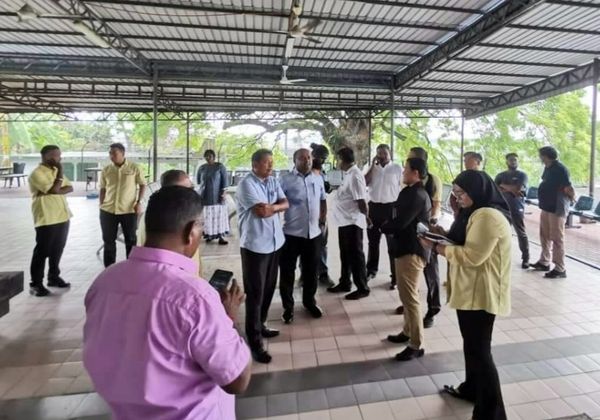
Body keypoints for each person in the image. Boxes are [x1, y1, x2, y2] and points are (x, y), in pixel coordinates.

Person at [84, 186, 251, 419]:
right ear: (191, 231)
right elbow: (237, 380)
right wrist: (229, 318)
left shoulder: (105, 282)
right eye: (202, 225)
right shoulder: (195, 298)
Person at [420, 170, 511, 420]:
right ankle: (472, 389)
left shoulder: (488, 216)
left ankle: (492, 414)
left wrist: (436, 247)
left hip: (482, 294)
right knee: (472, 347)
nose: (456, 197)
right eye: (455, 192)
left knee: (480, 352)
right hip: (471, 290)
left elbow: (472, 256)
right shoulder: (473, 212)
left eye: (461, 193)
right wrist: (441, 234)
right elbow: (462, 241)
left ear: (477, 190)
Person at [236, 149, 289, 363]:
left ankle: (262, 324)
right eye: (267, 162)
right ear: (255, 164)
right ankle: (255, 341)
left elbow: (285, 203)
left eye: (272, 162)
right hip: (255, 247)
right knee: (255, 294)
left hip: (275, 243)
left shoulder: (273, 181)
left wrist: (273, 207)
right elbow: (260, 212)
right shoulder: (246, 184)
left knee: (268, 289)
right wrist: (276, 207)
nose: (271, 166)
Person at [381, 158, 431, 361]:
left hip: (412, 250)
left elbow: (401, 221)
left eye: (406, 170)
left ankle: (416, 344)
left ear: (416, 173)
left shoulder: (417, 194)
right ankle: (407, 331)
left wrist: (382, 226)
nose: (403, 173)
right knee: (406, 295)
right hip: (404, 248)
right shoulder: (410, 192)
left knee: (410, 298)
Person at [279, 148, 327, 324]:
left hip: (313, 234)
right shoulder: (285, 180)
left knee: (311, 271)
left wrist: (322, 221)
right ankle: (288, 307)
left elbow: (323, 200)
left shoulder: (318, 178)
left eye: (309, 157)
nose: (307, 161)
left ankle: (309, 302)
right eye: (302, 158)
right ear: (295, 161)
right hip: (291, 234)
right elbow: (277, 203)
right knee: (287, 272)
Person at [398, 147, 443, 328]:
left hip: (427, 231)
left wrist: (431, 222)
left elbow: (437, 204)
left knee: (431, 272)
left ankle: (433, 308)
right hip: (411, 232)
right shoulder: (409, 180)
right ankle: (410, 302)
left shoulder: (433, 180)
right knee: (411, 271)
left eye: (410, 159)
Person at [137, 170, 203, 276]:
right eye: (187, 190)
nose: (191, 194)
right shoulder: (156, 217)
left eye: (192, 188)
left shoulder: (184, 214)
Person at [27, 145, 73, 297]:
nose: (59, 158)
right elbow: (54, 190)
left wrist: (56, 189)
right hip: (47, 217)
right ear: (46, 156)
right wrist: (59, 176)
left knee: (58, 248)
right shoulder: (37, 173)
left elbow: (69, 187)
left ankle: (53, 277)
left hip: (62, 215)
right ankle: (36, 283)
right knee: (42, 250)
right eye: (56, 155)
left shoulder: (54, 171)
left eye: (59, 155)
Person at [327, 147, 370, 300]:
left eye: (337, 159)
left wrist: (367, 218)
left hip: (353, 222)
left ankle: (362, 288)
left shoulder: (355, 175)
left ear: (341, 159)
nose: (336, 162)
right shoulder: (348, 174)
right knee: (345, 255)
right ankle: (345, 282)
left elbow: (361, 201)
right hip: (344, 221)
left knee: (356, 256)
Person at [531, 146, 575, 278]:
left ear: (546, 156)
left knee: (557, 238)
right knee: (544, 235)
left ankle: (560, 268)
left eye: (541, 155)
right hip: (546, 206)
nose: (540, 158)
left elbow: (568, 187)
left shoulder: (560, 169)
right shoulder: (548, 167)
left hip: (557, 207)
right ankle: (544, 261)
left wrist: (572, 198)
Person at [99, 142, 146, 267]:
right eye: (110, 153)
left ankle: (131, 268)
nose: (111, 156)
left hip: (128, 210)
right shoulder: (107, 169)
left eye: (114, 153)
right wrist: (101, 204)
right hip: (108, 211)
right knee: (108, 241)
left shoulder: (134, 167)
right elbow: (103, 188)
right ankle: (109, 269)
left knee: (131, 240)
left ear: (123, 153)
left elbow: (142, 184)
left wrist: (139, 202)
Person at [364, 144, 403, 289]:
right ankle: (371, 270)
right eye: (379, 153)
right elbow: (364, 182)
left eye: (384, 153)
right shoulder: (372, 168)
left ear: (390, 153)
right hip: (374, 208)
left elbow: (403, 187)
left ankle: (395, 276)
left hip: (390, 208)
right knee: (373, 242)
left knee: (392, 244)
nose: (382, 156)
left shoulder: (397, 168)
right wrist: (372, 166)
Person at [495, 153, 530, 268]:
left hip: (516, 207)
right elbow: (496, 189)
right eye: (511, 160)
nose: (513, 161)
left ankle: (526, 258)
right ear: (507, 162)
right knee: (500, 232)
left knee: (521, 232)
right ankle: (499, 256)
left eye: (515, 160)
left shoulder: (522, 175)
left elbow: (518, 188)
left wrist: (503, 187)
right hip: (502, 207)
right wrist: (511, 189)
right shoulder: (500, 175)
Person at [310, 142, 334, 287]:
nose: (323, 161)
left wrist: (329, 186)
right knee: (307, 247)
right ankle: (306, 274)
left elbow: (326, 191)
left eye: (325, 158)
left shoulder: (322, 172)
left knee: (322, 245)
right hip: (307, 217)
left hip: (321, 215)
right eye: (321, 158)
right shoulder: (305, 171)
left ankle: (323, 274)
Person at [197, 149, 230, 245]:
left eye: (210, 156)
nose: (208, 157)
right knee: (207, 218)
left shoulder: (220, 167)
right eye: (206, 156)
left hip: (218, 197)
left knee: (219, 217)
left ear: (214, 157)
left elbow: (225, 182)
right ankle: (209, 235)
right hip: (205, 196)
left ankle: (221, 237)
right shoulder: (202, 168)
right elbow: (199, 182)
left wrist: (224, 193)